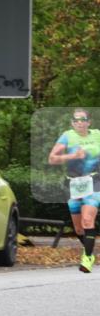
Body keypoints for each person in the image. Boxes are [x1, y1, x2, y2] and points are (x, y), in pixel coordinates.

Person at [48, 107, 100, 273]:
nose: (79, 123)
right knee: (78, 229)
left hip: (94, 182)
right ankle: (91, 252)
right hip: (75, 185)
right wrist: (72, 156)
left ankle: (87, 259)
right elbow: (52, 159)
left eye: (83, 119)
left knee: (87, 220)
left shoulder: (97, 135)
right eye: (76, 120)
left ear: (88, 122)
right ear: (72, 123)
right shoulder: (67, 136)